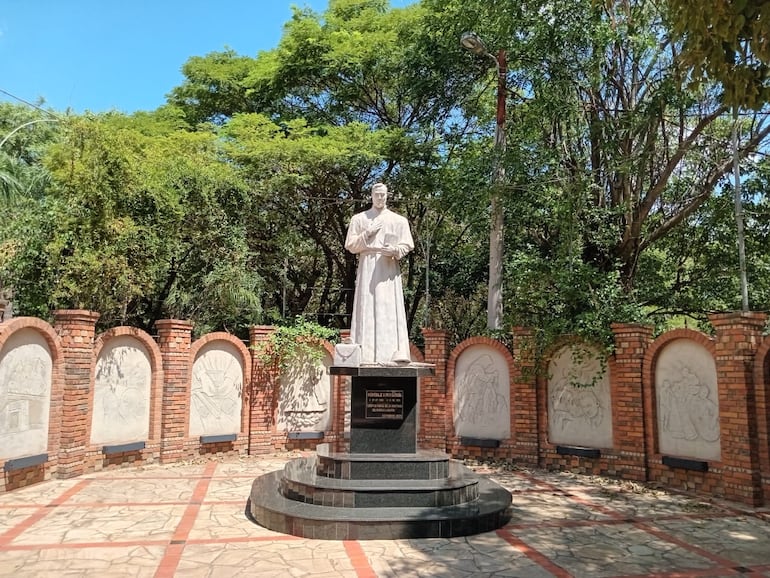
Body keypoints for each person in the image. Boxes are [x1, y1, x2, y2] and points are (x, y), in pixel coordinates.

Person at [345, 183, 414, 364]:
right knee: (366, 307)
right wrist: (367, 233)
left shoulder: (398, 220)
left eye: (383, 195)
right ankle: (366, 355)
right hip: (367, 266)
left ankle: (394, 353)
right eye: (377, 194)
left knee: (388, 308)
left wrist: (395, 250)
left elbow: (407, 244)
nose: (380, 198)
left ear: (387, 196)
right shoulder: (359, 219)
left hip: (388, 267)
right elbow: (350, 245)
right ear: (371, 195)